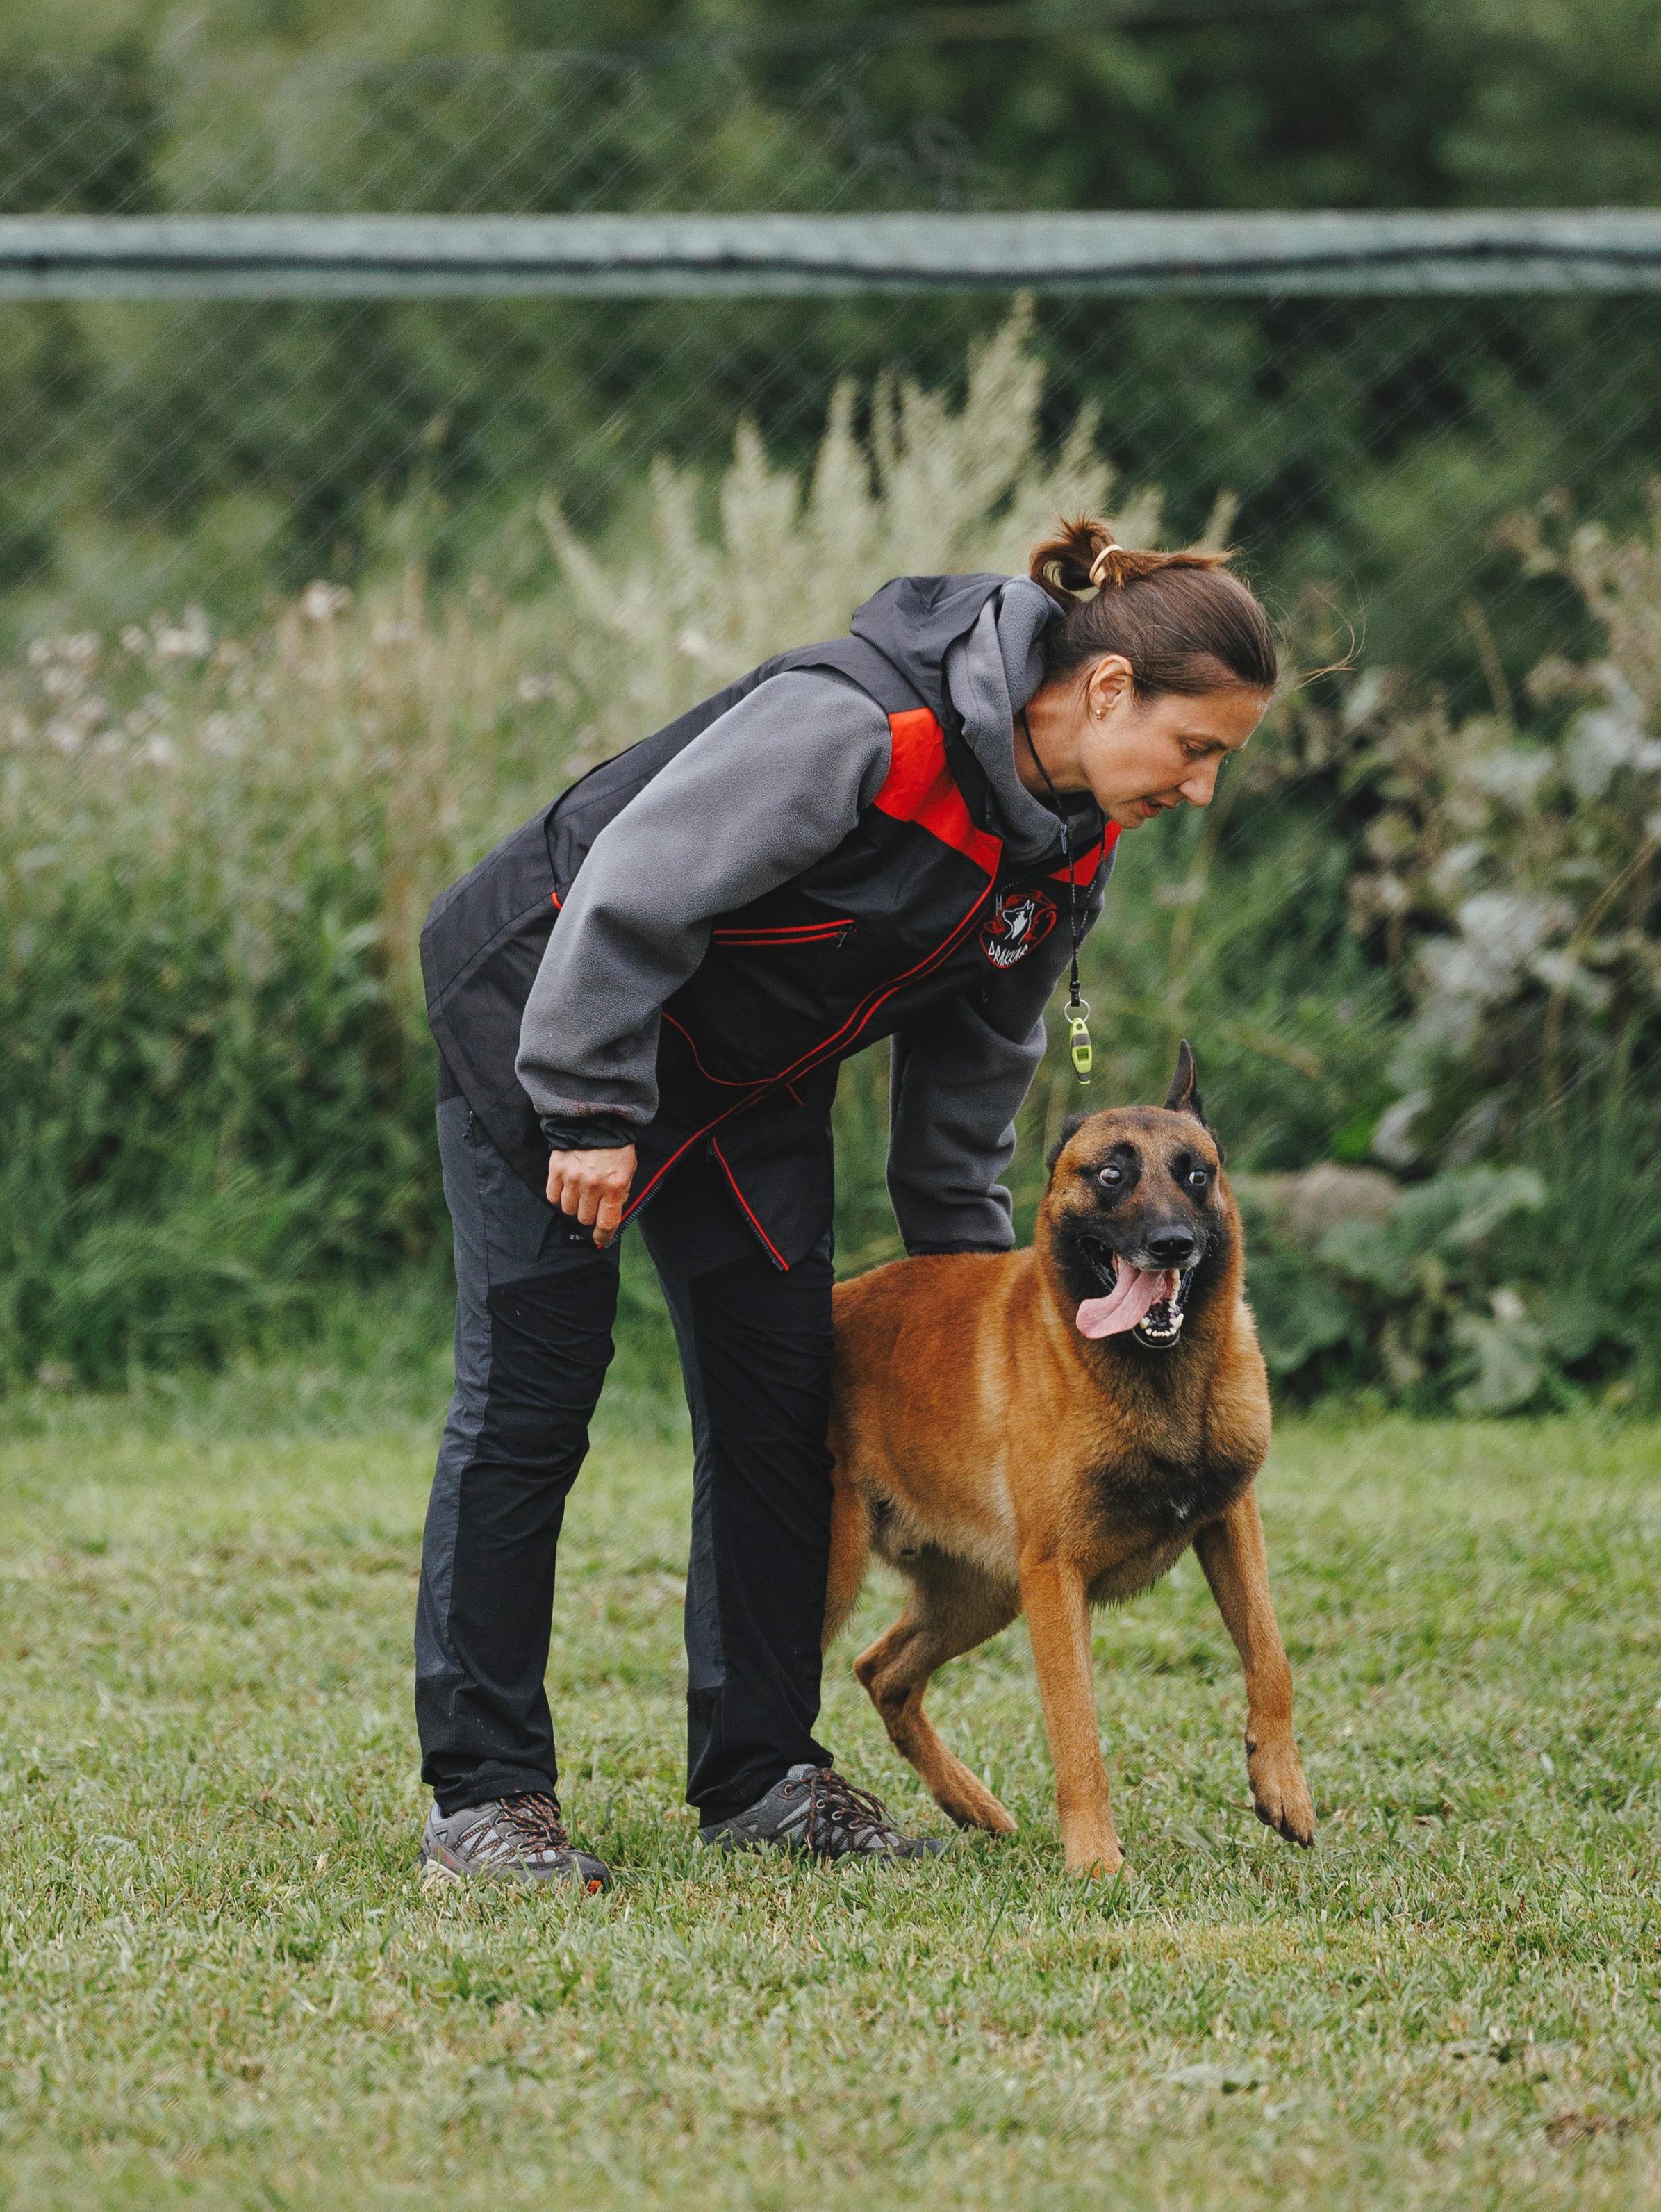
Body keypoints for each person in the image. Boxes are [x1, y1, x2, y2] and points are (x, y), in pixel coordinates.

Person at [412, 515, 1278, 1888]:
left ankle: (759, 1775)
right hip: (554, 1014)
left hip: (743, 1079)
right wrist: (585, 1104)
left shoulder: (1069, 839)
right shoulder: (864, 727)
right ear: (1110, 689)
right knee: (533, 1400)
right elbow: (635, 882)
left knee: (780, 1397)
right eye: (1195, 747)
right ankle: (485, 1796)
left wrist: (965, 1297)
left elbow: (975, 1064)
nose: (1202, 787)